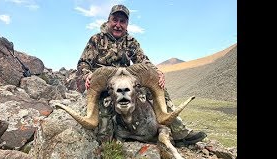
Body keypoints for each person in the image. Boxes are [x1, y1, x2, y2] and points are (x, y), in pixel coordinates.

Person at [76, 4, 206, 146]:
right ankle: (108, 138)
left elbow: (143, 61)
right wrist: (87, 75)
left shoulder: (131, 42)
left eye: (122, 21)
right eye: (115, 20)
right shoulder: (96, 40)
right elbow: (83, 63)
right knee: (104, 136)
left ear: (127, 24)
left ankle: (180, 132)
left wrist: (157, 73)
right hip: (106, 86)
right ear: (109, 20)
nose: (118, 25)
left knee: (160, 87)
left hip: (128, 83)